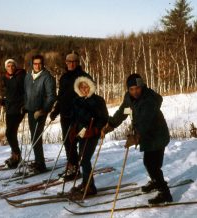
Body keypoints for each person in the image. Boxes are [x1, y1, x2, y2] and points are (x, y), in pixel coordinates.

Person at [101, 73, 173, 204]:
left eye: (137, 88)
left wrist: (135, 137)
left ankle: (165, 193)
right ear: (128, 89)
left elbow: (145, 122)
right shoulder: (129, 99)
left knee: (152, 165)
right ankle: (155, 181)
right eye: (131, 89)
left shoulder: (149, 100)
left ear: (142, 86)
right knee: (150, 163)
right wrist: (110, 125)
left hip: (156, 135)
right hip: (146, 136)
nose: (135, 91)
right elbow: (123, 112)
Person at [50, 51, 92, 180]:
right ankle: (72, 166)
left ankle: (80, 167)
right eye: (69, 62)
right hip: (65, 115)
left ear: (77, 63)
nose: (71, 64)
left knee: (78, 141)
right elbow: (61, 97)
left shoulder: (84, 77)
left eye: (74, 62)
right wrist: (56, 111)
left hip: (79, 116)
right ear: (66, 63)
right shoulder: (64, 78)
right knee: (68, 142)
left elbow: (90, 96)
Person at [69, 76, 108, 196]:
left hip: (92, 133)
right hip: (81, 133)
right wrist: (73, 129)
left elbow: (104, 118)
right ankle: (86, 182)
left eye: (86, 87)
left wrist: (96, 130)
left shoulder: (98, 100)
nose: (84, 89)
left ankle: (90, 186)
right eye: (81, 87)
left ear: (91, 87)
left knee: (85, 159)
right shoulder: (77, 100)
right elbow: (74, 117)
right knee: (82, 158)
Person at [24, 54, 56, 173]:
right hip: (31, 110)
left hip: (40, 111)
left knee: (36, 137)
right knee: (33, 137)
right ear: (32, 64)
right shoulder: (28, 76)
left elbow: (52, 96)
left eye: (39, 63)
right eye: (35, 63)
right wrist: (25, 106)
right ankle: (38, 160)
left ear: (43, 64)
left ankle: (40, 164)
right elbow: (26, 93)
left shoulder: (47, 77)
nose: (37, 66)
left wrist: (43, 110)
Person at [1, 59, 26, 168]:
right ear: (5, 68)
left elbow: (26, 91)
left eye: (12, 66)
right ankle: (15, 156)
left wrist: (25, 105)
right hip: (9, 108)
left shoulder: (21, 76)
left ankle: (17, 156)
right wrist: (3, 100)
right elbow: (7, 92)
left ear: (15, 66)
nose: (10, 68)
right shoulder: (5, 78)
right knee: (11, 133)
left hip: (18, 109)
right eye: (8, 66)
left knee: (9, 132)